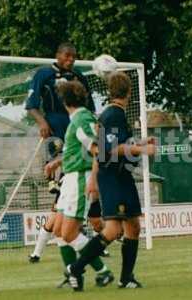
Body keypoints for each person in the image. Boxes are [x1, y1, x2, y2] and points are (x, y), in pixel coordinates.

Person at [66, 71, 156, 291]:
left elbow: (104, 149)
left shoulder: (112, 115)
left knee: (133, 226)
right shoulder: (113, 114)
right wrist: (143, 149)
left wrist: (141, 141)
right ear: (129, 91)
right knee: (114, 229)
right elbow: (115, 150)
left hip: (119, 176)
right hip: (114, 177)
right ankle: (75, 268)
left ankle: (126, 278)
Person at [25, 42, 101, 265]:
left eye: (74, 57)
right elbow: (31, 105)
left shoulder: (78, 77)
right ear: (57, 55)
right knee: (60, 209)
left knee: (64, 213)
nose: (70, 60)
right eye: (67, 56)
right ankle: (90, 254)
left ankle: (46, 254)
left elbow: (92, 109)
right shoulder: (44, 74)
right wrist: (42, 122)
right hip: (59, 137)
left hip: (80, 155)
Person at [44, 80, 114, 288]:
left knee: (68, 233)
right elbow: (80, 148)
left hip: (79, 178)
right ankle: (74, 275)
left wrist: (93, 179)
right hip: (70, 178)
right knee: (58, 229)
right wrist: (57, 161)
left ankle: (102, 271)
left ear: (64, 101)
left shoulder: (81, 118)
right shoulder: (78, 118)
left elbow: (97, 149)